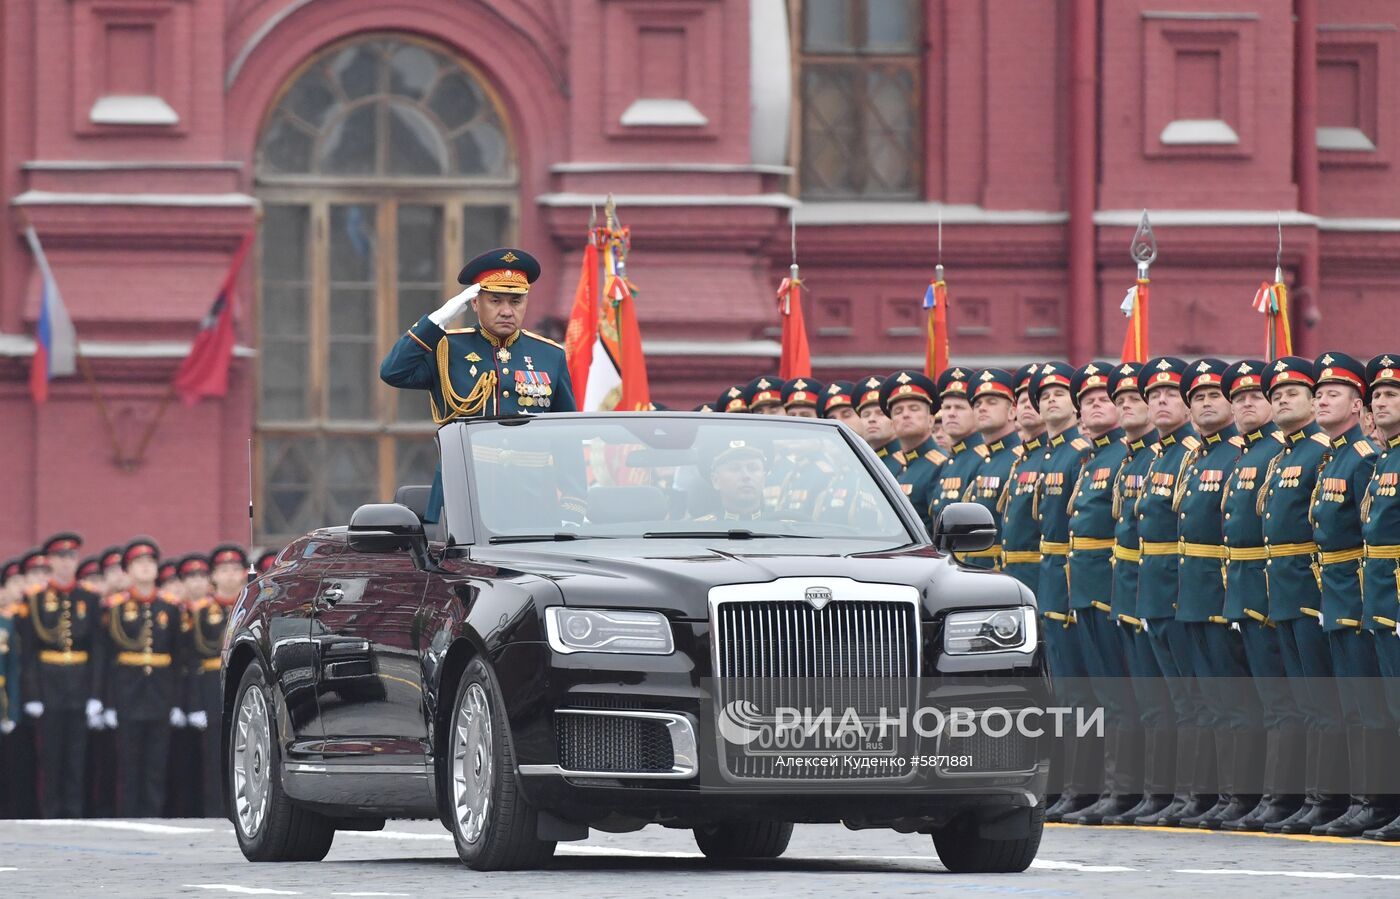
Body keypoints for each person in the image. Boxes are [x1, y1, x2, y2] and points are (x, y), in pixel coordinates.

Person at [379, 248, 578, 526]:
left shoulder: (550, 355)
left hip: (532, 501)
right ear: (475, 303)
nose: (507, 311)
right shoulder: (448, 348)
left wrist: (573, 507)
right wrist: (436, 322)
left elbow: (567, 437)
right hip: (462, 495)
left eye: (516, 301)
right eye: (495, 300)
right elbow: (393, 371)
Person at [1303, 353, 1391, 836]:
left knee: (1374, 707)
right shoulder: (1336, 457)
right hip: (1339, 594)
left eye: (1332, 393)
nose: (1321, 400)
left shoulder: (1363, 458)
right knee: (1354, 705)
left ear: (1358, 406)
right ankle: (1361, 800)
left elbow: (1365, 537)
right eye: (1318, 393)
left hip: (1363, 595)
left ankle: (1375, 801)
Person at [1257, 357, 1345, 835]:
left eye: (1293, 393)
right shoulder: (1284, 456)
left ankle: (1326, 799)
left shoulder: (1321, 453)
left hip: (1315, 591)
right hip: (1284, 591)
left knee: (1325, 702)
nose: (1282, 400)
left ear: (1313, 402)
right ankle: (1307, 798)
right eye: (1277, 395)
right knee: (1301, 702)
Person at [1218, 359, 1304, 832]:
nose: (1248, 404)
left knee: (1292, 702)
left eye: (1257, 396)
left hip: (1286, 590)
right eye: (1241, 398)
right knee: (1266, 702)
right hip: (1249, 588)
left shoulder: (1282, 452)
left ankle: (1287, 797)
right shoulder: (1255, 453)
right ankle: (1259, 796)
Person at [1173, 359, 1257, 829]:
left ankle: (1241, 795)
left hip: (1226, 589)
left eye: (1214, 396)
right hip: (1194, 591)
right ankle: (1217, 794)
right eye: (1198, 398)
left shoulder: (1238, 453)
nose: (1206, 404)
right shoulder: (1198, 456)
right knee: (1210, 701)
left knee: (1235, 700)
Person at [1061, 362, 1137, 826]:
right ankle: (1092, 787)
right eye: (1086, 401)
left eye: (1104, 399)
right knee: (1090, 695)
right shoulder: (1095, 458)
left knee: (1117, 693)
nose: (1094, 406)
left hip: (1111, 586)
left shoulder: (1123, 456)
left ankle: (1120, 787)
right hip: (1084, 587)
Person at [1130, 357, 1203, 827]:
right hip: (1152, 589)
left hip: (1183, 590)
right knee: (1169, 700)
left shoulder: (1190, 454)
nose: (1160, 401)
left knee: (1193, 700)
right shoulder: (1160, 455)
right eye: (1152, 395)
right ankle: (1172, 793)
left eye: (1170, 394)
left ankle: (1194, 793)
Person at [1030, 362, 1098, 823]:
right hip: (1049, 580)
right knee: (1060, 695)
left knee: (1083, 694)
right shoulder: (1049, 455)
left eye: (1060, 394)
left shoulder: (1079, 454)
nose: (1052, 400)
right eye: (1045, 395)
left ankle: (1083, 785)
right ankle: (1064, 784)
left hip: (1074, 578)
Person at [15, 535, 104, 818]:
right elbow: (28, 652)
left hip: (79, 683)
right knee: (50, 755)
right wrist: (32, 694)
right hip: (48, 684)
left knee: (77, 755)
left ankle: (73, 813)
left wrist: (95, 694)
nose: (66, 563)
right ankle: (50, 813)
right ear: (51, 561)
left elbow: (97, 650)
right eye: (61, 558)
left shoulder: (89, 597)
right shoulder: (36, 598)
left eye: (71, 557)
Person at [101, 538, 185, 818]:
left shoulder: (170, 607)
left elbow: (179, 657)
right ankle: (128, 814)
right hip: (127, 691)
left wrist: (177, 701)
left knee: (156, 762)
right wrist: (107, 701)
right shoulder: (115, 607)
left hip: (160, 692)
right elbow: (107, 658)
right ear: (127, 571)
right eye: (139, 563)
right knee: (129, 760)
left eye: (150, 562)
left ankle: (154, 814)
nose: (146, 568)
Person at [1360, 353, 1400, 841]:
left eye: (1391, 394)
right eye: (1377, 396)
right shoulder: (1385, 458)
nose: (1382, 402)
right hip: (1383, 598)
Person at [186, 544, 246, 817]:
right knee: (214, 753)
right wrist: (194, 704)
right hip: (212, 685)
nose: (230, 575)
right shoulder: (200, 612)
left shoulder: (249, 608)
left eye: (235, 569)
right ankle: (214, 810)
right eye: (224, 570)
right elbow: (191, 660)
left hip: (244, 683)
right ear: (214, 576)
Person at [961, 368, 1020, 570]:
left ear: (1012, 412)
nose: (982, 408)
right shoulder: (982, 461)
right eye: (977, 404)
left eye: (992, 402)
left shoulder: (1018, 458)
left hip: (1000, 569)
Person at [879, 370, 947, 532]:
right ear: (892, 423)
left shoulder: (940, 465)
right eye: (898, 411)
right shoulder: (890, 467)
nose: (906, 415)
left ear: (931, 420)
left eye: (914, 409)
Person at [929, 367, 986, 523]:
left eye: (960, 407)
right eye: (947, 407)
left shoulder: (982, 458)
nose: (951, 413)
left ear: (976, 412)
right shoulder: (949, 462)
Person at [856, 376, 902, 475]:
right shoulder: (860, 463)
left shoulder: (903, 462)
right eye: (866, 415)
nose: (871, 419)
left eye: (880, 413)